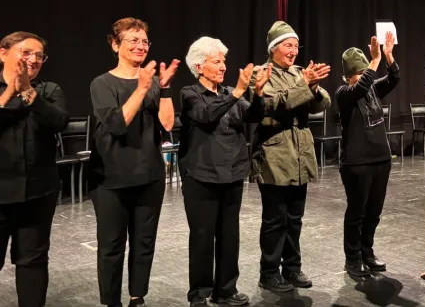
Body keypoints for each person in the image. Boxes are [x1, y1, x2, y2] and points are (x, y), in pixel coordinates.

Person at [89, 17, 180, 307]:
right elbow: (117, 124)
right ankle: (111, 301)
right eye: (133, 40)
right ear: (115, 45)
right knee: (112, 246)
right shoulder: (102, 83)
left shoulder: (153, 83)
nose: (141, 46)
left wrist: (163, 89)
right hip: (110, 180)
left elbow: (167, 125)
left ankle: (136, 296)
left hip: (149, 175)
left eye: (145, 41)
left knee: (144, 243)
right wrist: (142, 89)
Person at [179, 37, 272, 307]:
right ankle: (199, 293)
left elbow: (254, 116)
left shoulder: (230, 92)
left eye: (224, 61)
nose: (223, 66)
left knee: (230, 235)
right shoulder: (190, 93)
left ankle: (226, 290)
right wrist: (237, 93)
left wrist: (258, 92)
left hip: (232, 174)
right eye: (216, 61)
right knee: (202, 236)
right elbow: (205, 116)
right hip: (201, 176)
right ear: (199, 66)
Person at [250, 21, 331, 292]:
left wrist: (315, 86)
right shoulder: (261, 74)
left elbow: (322, 104)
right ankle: (269, 272)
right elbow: (273, 104)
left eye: (296, 46)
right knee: (275, 219)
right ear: (274, 48)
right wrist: (304, 83)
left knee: (295, 218)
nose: (294, 50)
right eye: (288, 45)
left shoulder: (299, 72)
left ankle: (292, 268)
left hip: (300, 153)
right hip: (275, 154)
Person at [0, 32, 69, 307]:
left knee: (33, 261)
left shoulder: (49, 91)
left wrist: (28, 90)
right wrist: (9, 92)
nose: (34, 60)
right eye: (27, 53)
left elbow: (59, 121)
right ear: (3, 53)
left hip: (38, 193)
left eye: (40, 56)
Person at [335, 33, 399, 278]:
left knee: (374, 211)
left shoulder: (373, 88)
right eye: (358, 74)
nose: (365, 78)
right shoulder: (344, 94)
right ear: (348, 77)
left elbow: (395, 78)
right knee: (357, 211)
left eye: (366, 73)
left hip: (380, 160)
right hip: (357, 163)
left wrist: (388, 57)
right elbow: (361, 86)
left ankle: (367, 252)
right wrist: (374, 61)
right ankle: (352, 258)